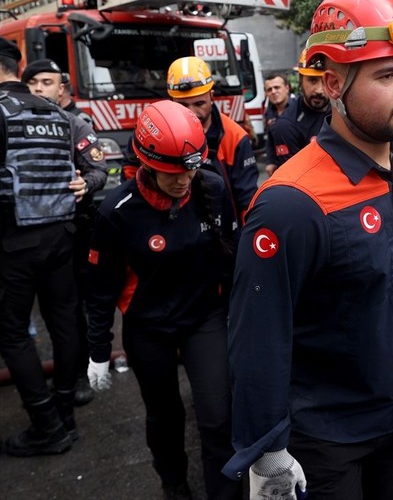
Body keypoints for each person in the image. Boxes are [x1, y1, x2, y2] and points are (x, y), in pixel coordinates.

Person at [223, 0, 393, 500]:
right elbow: (258, 337)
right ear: (334, 85)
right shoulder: (291, 202)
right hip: (324, 438)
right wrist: (268, 451)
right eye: (387, 75)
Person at [85, 100, 240, 500]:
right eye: (173, 172)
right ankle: (174, 484)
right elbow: (101, 286)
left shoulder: (212, 187)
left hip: (203, 317)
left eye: (191, 168)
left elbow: (232, 258)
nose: (184, 179)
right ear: (147, 163)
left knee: (217, 416)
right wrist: (99, 349)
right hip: (148, 327)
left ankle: (224, 492)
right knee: (165, 416)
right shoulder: (117, 212)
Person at [0, 40, 96, 456]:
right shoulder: (58, 115)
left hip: (13, 241)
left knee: (12, 333)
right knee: (64, 323)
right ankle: (66, 415)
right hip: (61, 237)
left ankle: (47, 425)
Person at [22, 58, 108, 408]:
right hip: (20, 237)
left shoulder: (73, 125)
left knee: (70, 310)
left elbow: (99, 169)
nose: (40, 88)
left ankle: (75, 377)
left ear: (61, 89)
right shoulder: (12, 126)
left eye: (47, 82)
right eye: (34, 83)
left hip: (70, 232)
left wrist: (83, 184)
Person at [122, 56, 258, 222]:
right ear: (171, 100)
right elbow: (131, 179)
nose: (192, 112)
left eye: (199, 103)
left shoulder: (235, 137)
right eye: (183, 105)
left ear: (212, 96)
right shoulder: (150, 132)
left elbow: (247, 199)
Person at [264, 50, 330, 175]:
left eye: (325, 80)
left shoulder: (343, 113)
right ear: (301, 81)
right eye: (312, 80)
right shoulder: (286, 125)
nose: (319, 90)